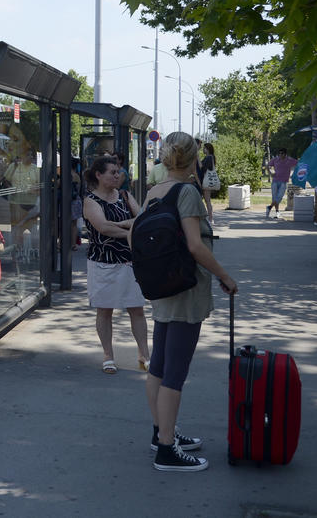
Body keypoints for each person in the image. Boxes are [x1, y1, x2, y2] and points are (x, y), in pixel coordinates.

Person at [138, 131, 238, 472]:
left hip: (162, 285)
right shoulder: (189, 192)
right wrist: (225, 276)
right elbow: (195, 246)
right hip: (185, 287)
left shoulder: (155, 190)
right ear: (194, 157)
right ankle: (167, 448)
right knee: (175, 373)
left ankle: (160, 432)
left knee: (160, 365)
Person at [82, 155, 149, 375]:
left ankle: (144, 354)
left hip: (130, 262)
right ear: (99, 175)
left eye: (118, 171)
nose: (117, 175)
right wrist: (130, 232)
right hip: (104, 263)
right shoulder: (90, 200)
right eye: (112, 172)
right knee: (105, 311)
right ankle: (108, 356)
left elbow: (142, 220)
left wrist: (123, 225)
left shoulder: (124, 195)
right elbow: (103, 228)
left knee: (136, 309)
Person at [267, 148, 298, 218]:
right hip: (275, 181)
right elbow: (267, 166)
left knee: (279, 197)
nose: (280, 155)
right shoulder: (275, 159)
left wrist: (295, 174)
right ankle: (277, 212)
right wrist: (270, 173)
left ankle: (269, 207)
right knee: (274, 197)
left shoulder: (289, 160)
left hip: (283, 182)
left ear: (285, 154)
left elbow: (298, 163)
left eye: (282, 153)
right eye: (279, 153)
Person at [200, 142, 217, 225]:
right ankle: (209, 218)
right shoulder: (210, 157)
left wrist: (197, 159)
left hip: (207, 181)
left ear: (208, 149)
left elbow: (201, 167)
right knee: (207, 200)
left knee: (207, 200)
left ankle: (210, 219)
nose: (203, 149)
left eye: (204, 148)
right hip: (207, 181)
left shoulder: (209, 158)